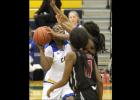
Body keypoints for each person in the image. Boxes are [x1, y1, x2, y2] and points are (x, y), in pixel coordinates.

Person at [47, 28, 103, 100]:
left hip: (81, 94)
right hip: (93, 93)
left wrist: (51, 88)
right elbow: (100, 81)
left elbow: (64, 80)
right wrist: (100, 98)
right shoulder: (90, 56)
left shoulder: (71, 55)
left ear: (71, 41)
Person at [36, 24, 74, 100]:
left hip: (65, 83)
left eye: (61, 28)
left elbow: (75, 36)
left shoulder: (70, 45)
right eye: (57, 29)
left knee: (70, 98)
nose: (61, 30)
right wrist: (41, 50)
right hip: (51, 83)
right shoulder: (50, 49)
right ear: (52, 35)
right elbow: (46, 67)